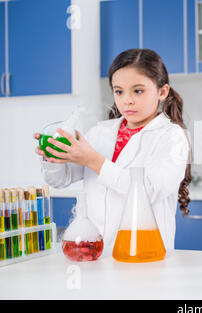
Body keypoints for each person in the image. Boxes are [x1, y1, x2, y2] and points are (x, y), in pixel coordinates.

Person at [34, 48, 191, 247]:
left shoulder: (171, 137)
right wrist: (52, 155)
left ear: (162, 92)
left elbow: (147, 191)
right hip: (96, 252)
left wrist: (92, 159)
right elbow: (59, 179)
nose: (127, 100)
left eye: (138, 90)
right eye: (119, 91)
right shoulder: (100, 133)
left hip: (143, 253)